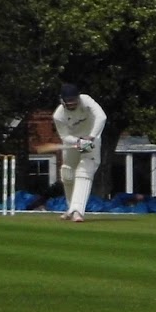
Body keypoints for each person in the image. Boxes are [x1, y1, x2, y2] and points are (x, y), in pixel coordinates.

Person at [53, 83, 107, 221]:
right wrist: (77, 141)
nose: (72, 104)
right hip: (73, 142)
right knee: (67, 173)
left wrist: (91, 137)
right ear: (62, 100)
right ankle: (71, 208)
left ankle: (77, 211)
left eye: (74, 100)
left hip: (91, 141)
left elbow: (102, 117)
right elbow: (64, 136)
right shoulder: (59, 115)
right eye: (68, 101)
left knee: (84, 170)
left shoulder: (86, 100)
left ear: (78, 97)